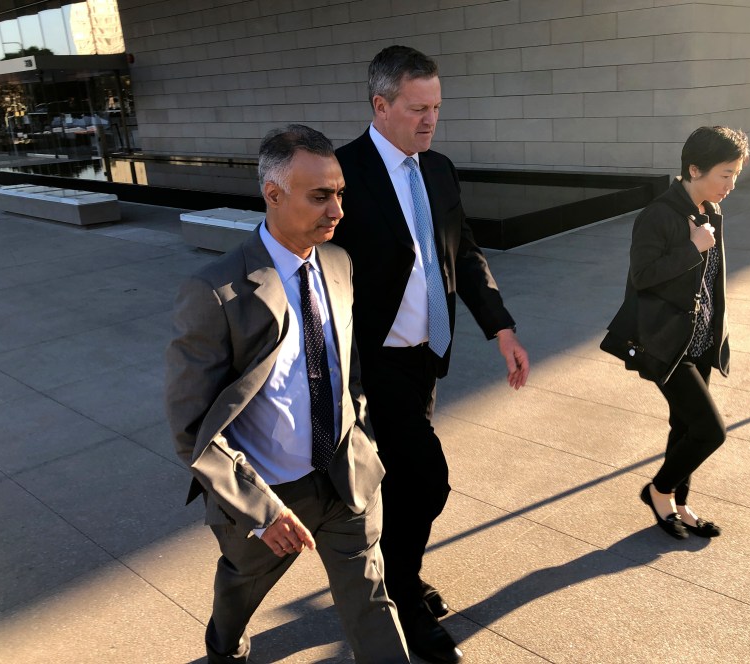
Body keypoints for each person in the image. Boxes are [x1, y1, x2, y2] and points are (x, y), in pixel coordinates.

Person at [165, 124, 409, 664]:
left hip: (346, 478)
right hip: (268, 496)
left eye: (340, 192)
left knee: (372, 603)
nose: (337, 209)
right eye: (320, 195)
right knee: (239, 591)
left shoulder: (341, 265)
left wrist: (361, 440)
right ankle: (224, 649)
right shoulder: (215, 291)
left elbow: (350, 375)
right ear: (273, 194)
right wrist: (259, 510)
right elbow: (191, 429)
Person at [331, 45, 530, 664]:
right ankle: (402, 602)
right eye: (418, 108)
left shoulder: (438, 169)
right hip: (373, 360)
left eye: (437, 107)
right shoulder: (341, 172)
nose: (430, 119)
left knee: (404, 480)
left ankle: (399, 575)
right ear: (380, 105)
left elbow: (461, 252)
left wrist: (500, 327)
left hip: (427, 356)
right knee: (428, 479)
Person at [627, 126, 750, 540]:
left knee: (684, 427)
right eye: (725, 174)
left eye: (735, 174)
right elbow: (643, 277)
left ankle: (679, 503)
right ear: (694, 169)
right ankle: (658, 491)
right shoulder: (659, 214)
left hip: (700, 341)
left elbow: (710, 281)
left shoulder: (711, 211)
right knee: (709, 431)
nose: (731, 184)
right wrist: (692, 247)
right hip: (667, 344)